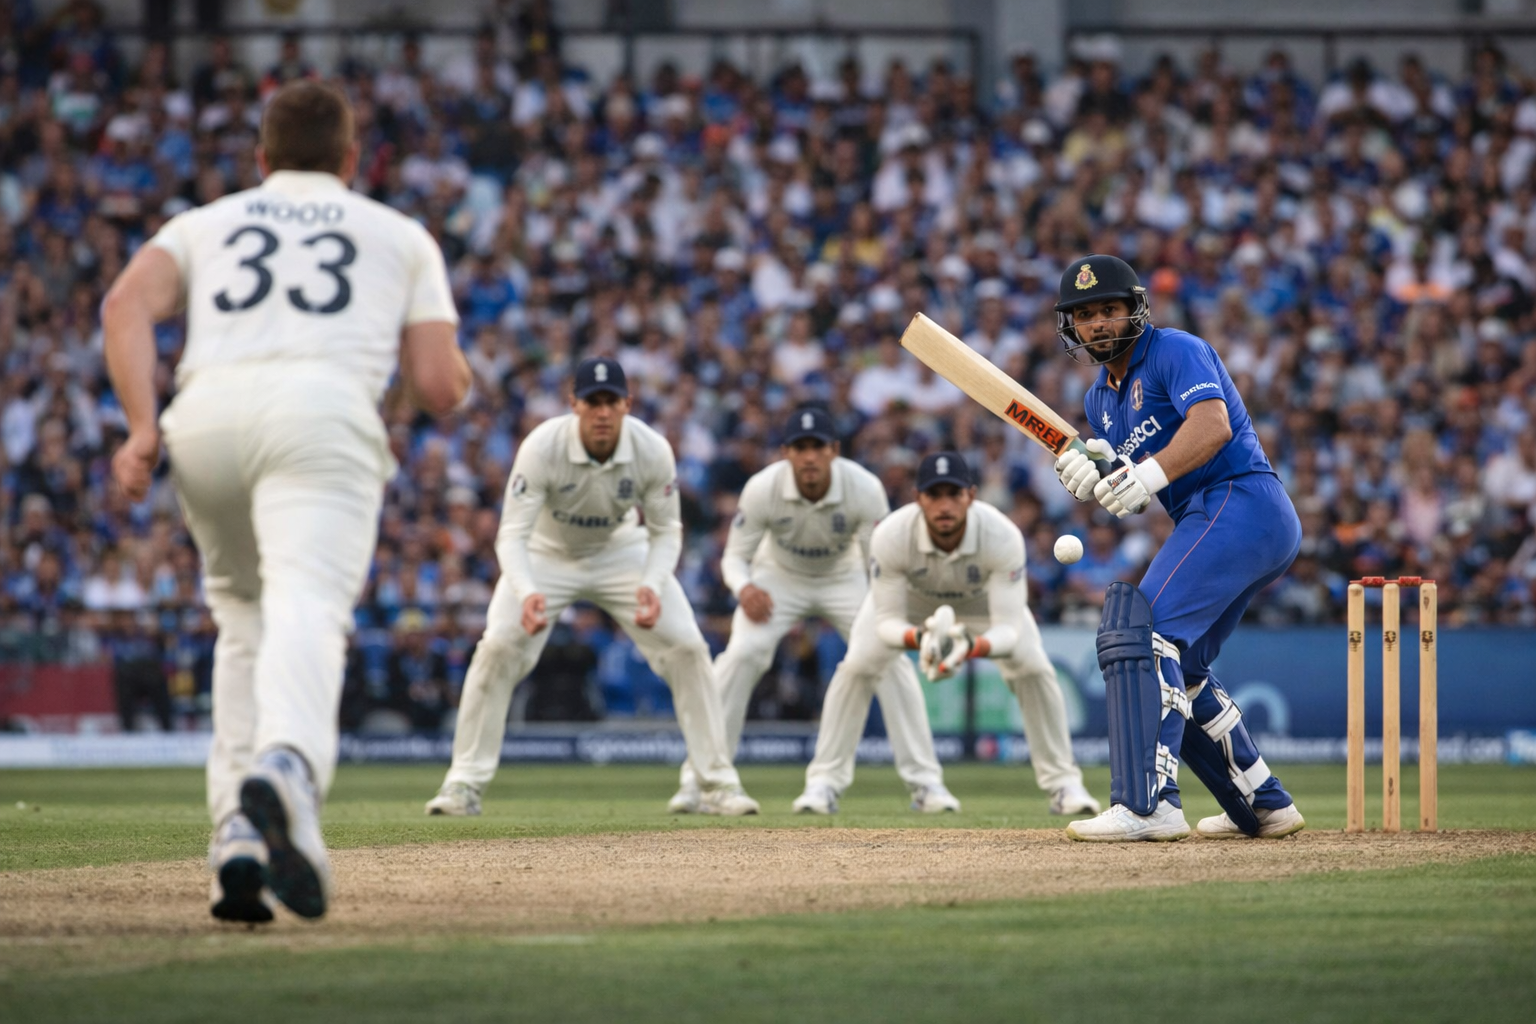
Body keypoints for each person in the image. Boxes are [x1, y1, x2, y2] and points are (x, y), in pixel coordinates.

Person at [103, 81, 469, 920]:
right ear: (352, 160)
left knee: (242, 618)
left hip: (204, 418)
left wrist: (138, 428)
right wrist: (451, 379)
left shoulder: (206, 222)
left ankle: (235, 829)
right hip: (319, 416)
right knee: (308, 603)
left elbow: (123, 305)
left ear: (260, 159)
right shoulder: (399, 234)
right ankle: (291, 769)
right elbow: (439, 385)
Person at [425, 357, 759, 817]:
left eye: (611, 402)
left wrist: (651, 583)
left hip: (621, 550)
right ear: (574, 405)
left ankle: (715, 784)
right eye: (592, 402)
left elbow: (666, 531)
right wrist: (527, 592)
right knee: (498, 646)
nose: (602, 412)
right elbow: (512, 535)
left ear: (627, 404)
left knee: (687, 647)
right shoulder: (542, 446)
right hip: (546, 554)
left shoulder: (651, 449)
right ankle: (463, 783)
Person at [1049, 253, 1305, 842]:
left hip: (1242, 499)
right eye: (1085, 316)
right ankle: (1264, 803)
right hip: (1213, 515)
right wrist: (1098, 476)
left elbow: (1211, 427)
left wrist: (1143, 476)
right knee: (1179, 665)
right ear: (1072, 328)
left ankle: (1148, 805)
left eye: (1109, 310)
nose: (1098, 325)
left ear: (1135, 309)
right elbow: (1134, 491)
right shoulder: (1098, 402)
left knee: (1142, 635)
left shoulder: (1175, 349)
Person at [668, 406, 962, 815]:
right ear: (786, 452)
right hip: (777, 578)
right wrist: (745, 587)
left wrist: (885, 618)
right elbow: (734, 558)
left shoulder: (862, 488)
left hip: (845, 577)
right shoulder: (762, 488)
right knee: (742, 655)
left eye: (818, 447)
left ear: (834, 451)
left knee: (887, 660)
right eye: (800, 448)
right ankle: (699, 780)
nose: (809, 457)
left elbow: (877, 565)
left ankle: (926, 784)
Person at [796, 450, 1100, 816]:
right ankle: (825, 784)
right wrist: (920, 639)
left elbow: (1009, 629)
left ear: (970, 496)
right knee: (858, 666)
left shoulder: (1001, 536)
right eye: (934, 495)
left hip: (982, 609)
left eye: (953, 495)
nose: (944, 506)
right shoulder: (891, 535)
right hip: (911, 609)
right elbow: (886, 621)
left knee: (1033, 668)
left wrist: (973, 646)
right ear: (918, 498)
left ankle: (1064, 785)